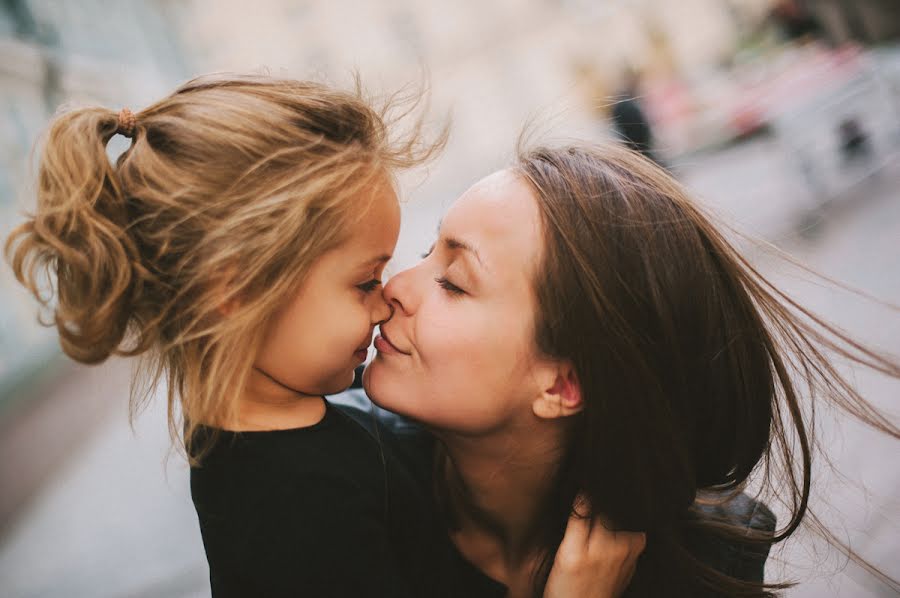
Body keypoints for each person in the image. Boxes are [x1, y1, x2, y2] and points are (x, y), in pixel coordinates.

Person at [5, 75, 644, 597]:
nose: (386, 297)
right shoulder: (288, 510)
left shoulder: (301, 444)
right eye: (364, 281)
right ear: (238, 290)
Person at [360, 142, 900, 597]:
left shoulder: (705, 566)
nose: (395, 287)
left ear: (564, 385)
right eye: (428, 251)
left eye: (452, 281)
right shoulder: (339, 484)